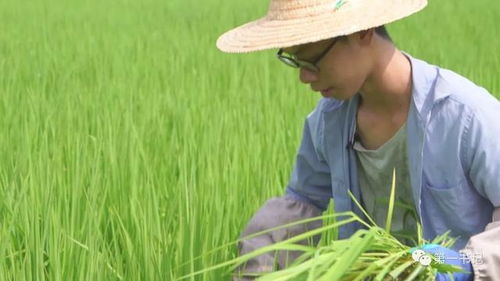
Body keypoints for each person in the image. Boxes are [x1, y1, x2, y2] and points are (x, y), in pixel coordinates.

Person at [216, 0, 500, 280]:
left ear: (363, 32)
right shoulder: (327, 123)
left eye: (312, 59)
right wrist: (260, 261)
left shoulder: (465, 116)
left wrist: (469, 265)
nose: (304, 76)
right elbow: (300, 203)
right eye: (295, 60)